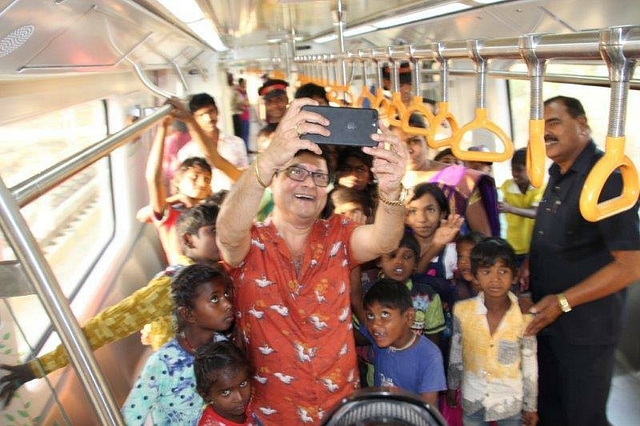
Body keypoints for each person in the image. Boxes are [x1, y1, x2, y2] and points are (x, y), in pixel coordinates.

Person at [215, 97, 409, 424]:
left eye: (319, 177)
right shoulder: (251, 243)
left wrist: (390, 190)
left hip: (340, 408)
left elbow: (383, 239)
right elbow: (227, 233)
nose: (308, 183)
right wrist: (266, 160)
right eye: (295, 172)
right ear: (272, 181)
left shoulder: (338, 234)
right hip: (273, 412)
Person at [0, 203, 223, 407]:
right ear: (188, 240)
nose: (223, 236)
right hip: (186, 381)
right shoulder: (172, 288)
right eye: (214, 231)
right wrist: (38, 368)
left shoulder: (215, 272)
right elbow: (103, 328)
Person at [523, 96, 640, 426]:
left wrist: (562, 302)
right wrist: (532, 261)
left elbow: (631, 265)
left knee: (582, 418)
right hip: (550, 324)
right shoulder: (559, 173)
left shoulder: (607, 178)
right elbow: (566, 234)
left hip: (585, 331)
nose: (545, 132)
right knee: (552, 412)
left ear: (583, 126)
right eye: (540, 126)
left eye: (554, 122)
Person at [122, 263, 235, 425]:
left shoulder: (223, 346)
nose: (228, 304)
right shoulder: (163, 363)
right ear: (188, 314)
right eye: (215, 299)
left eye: (226, 295)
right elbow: (130, 417)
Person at [447, 237, 538, 426]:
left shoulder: (524, 317)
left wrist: (531, 406)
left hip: (509, 402)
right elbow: (456, 352)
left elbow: (530, 365)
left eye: (503, 271)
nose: (495, 279)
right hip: (473, 398)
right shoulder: (462, 311)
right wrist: (452, 385)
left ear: (514, 275)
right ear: (475, 275)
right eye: (486, 272)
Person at [392, 113, 500, 237]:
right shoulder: (388, 183)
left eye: (414, 141)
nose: (408, 149)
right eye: (399, 144)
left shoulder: (461, 179)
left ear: (427, 142)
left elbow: (483, 237)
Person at [359, 278, 446, 406]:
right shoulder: (379, 338)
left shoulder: (429, 356)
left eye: (385, 314)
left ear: (409, 317)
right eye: (371, 316)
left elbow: (428, 411)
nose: (375, 325)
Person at [378, 232, 445, 343]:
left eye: (407, 256)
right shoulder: (369, 293)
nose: (399, 261)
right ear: (379, 261)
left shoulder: (428, 297)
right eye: (392, 255)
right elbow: (361, 336)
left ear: (415, 264)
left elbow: (433, 342)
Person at [178, 93, 248, 193]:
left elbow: (244, 176)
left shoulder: (237, 143)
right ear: (194, 118)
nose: (209, 118)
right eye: (202, 115)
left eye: (211, 111)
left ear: (217, 111)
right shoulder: (187, 152)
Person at [194, 340, 262, 426]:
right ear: (205, 395)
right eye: (225, 392)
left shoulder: (252, 403)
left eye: (243, 384)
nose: (240, 398)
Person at [498, 147, 544, 269]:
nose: (515, 174)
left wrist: (510, 209)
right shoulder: (507, 185)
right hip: (510, 245)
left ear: (530, 170)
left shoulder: (539, 187)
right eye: (513, 170)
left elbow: (536, 213)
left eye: (519, 170)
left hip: (532, 247)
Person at [405, 182, 464, 276]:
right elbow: (409, 278)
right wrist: (436, 246)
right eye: (413, 211)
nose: (422, 219)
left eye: (430, 210)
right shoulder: (398, 247)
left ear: (442, 214)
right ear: (405, 217)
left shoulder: (456, 250)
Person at [231, 77, 251, 150]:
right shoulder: (236, 92)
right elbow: (238, 104)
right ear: (240, 83)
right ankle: (243, 149)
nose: (245, 84)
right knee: (242, 135)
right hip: (240, 116)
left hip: (246, 115)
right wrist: (244, 104)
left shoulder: (244, 92)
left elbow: (248, 103)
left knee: (246, 134)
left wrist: (246, 104)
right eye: (244, 83)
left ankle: (246, 149)